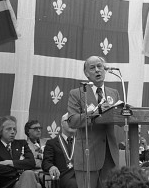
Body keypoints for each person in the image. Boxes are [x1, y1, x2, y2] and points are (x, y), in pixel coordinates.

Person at [67, 56, 121, 188]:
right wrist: (96, 112)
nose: (97, 70)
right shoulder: (76, 93)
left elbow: (119, 120)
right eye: (92, 68)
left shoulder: (114, 93)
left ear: (104, 69)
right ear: (86, 73)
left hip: (110, 155)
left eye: (100, 66)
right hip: (88, 155)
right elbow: (72, 121)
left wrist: (125, 112)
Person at [0, 115, 41, 188]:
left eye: (14, 129)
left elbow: (31, 162)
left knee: (29, 174)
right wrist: (19, 168)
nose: (12, 132)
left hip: (25, 179)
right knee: (34, 182)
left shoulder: (22, 144)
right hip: (8, 184)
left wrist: (10, 162)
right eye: (8, 129)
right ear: (1, 131)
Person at [42, 113, 78, 188]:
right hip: (63, 176)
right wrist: (51, 167)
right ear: (62, 123)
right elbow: (46, 162)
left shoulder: (81, 142)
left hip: (81, 174)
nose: (72, 124)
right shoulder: (52, 143)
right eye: (69, 121)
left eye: (75, 121)